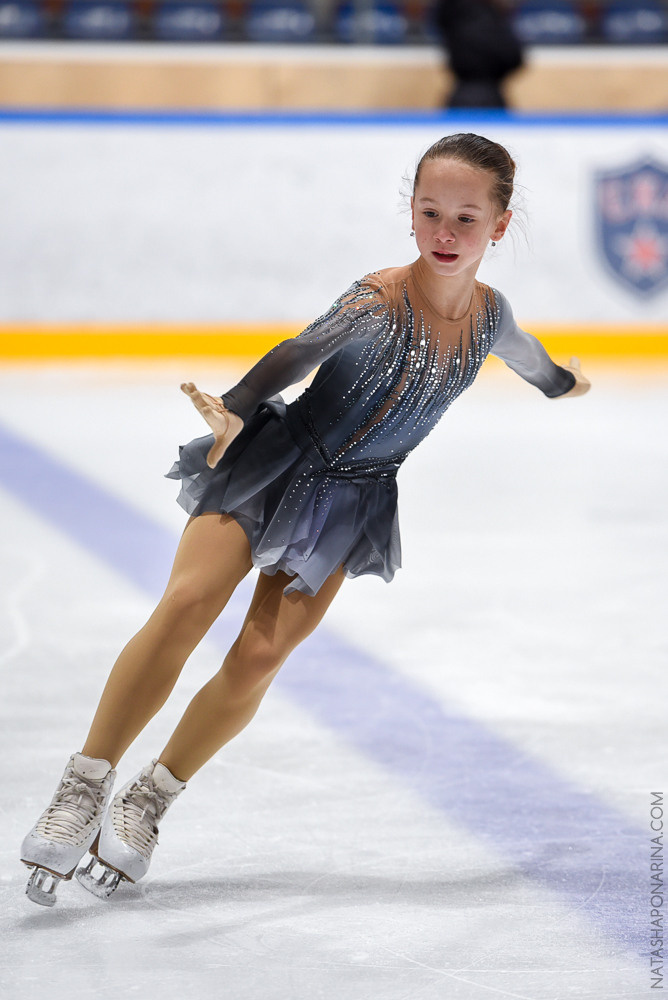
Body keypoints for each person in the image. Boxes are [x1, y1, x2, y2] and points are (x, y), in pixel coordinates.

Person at [20, 132, 590, 907]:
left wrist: (563, 385)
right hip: (276, 460)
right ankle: (85, 784)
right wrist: (234, 412)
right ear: (411, 213)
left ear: (499, 224)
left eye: (465, 217)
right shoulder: (378, 300)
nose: (445, 234)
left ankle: (150, 796)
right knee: (188, 604)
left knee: (258, 659)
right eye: (429, 212)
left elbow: (530, 357)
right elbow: (297, 353)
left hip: (353, 498)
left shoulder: (491, 318)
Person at [434, 0, 524, 109]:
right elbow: (512, 56)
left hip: (485, 92)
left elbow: (513, 56)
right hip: (476, 95)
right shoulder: (476, 17)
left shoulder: (488, 15)